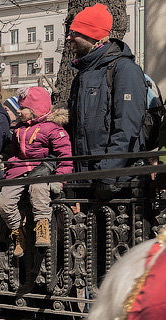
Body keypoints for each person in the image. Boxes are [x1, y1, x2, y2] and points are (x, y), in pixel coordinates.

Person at [67, 3, 147, 200]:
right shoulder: (83, 74)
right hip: (84, 180)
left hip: (116, 185)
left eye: (74, 32)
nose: (69, 38)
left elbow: (128, 128)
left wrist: (107, 174)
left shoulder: (124, 70)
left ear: (91, 34)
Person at [0, 86, 73, 255]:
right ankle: (18, 231)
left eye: (23, 108)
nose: (19, 111)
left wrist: (59, 179)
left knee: (39, 189)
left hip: (40, 171)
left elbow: (65, 156)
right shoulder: (18, 128)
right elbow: (15, 152)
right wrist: (9, 163)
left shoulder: (53, 129)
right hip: (18, 171)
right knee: (4, 202)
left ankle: (42, 226)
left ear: (35, 110)